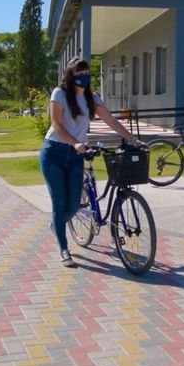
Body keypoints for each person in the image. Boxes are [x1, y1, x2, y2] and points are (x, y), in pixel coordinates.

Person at [41, 57, 143, 268]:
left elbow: (112, 121)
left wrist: (134, 140)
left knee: (72, 206)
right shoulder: (59, 94)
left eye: (86, 73)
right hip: (55, 153)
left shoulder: (91, 98)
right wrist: (76, 143)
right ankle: (64, 248)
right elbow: (57, 124)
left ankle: (57, 223)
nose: (83, 77)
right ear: (70, 75)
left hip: (76, 156)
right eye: (78, 74)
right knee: (60, 204)